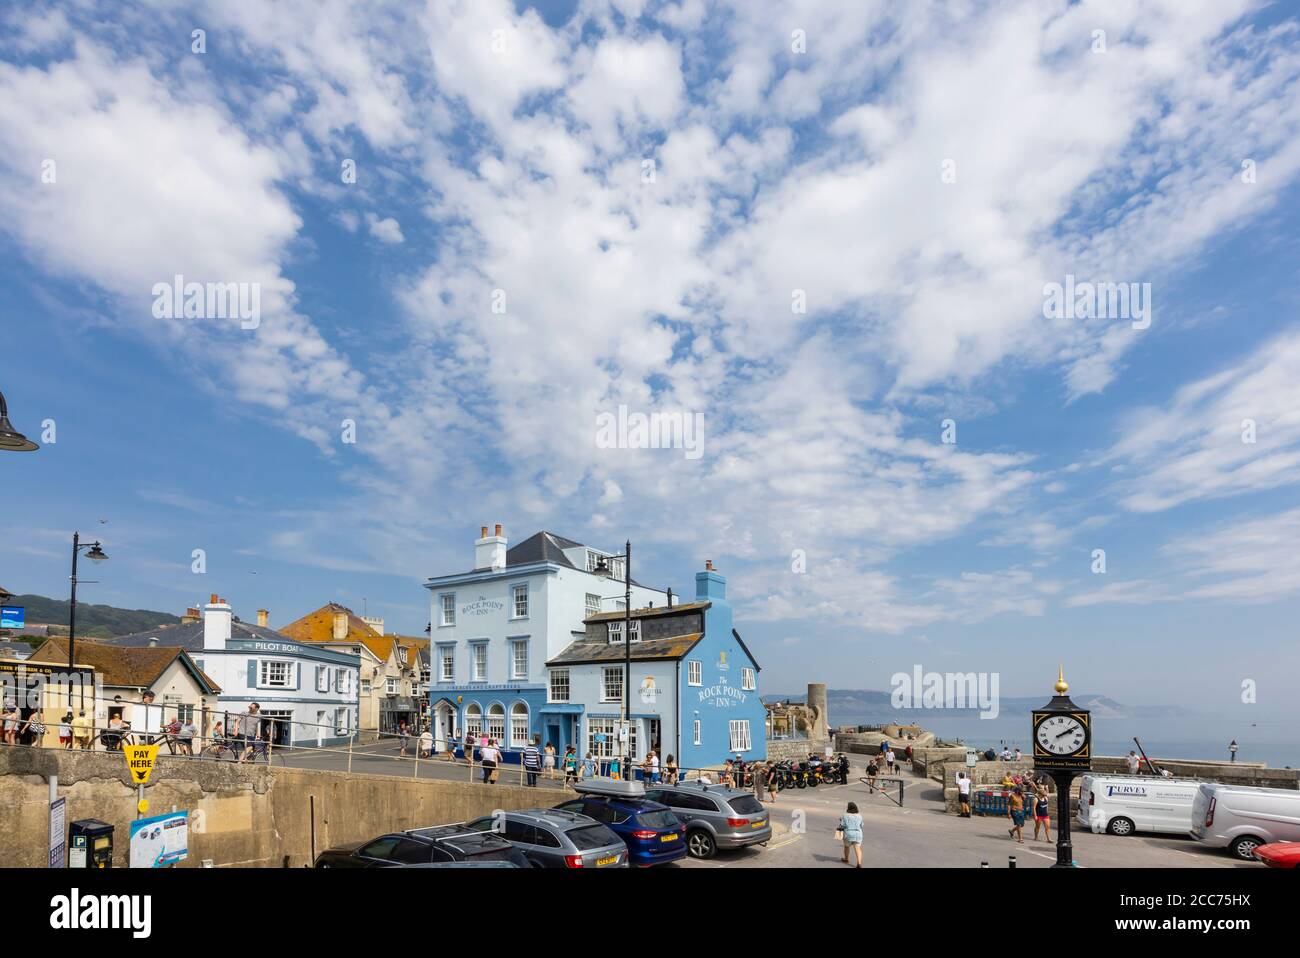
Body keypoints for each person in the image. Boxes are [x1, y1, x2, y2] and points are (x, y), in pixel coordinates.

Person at [838, 802, 863, 867]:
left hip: (848, 834)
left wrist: (841, 820)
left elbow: (842, 825)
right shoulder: (859, 815)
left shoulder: (845, 815)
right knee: (858, 848)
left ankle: (846, 859)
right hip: (858, 834)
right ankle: (859, 863)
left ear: (848, 808)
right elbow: (862, 825)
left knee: (846, 846)